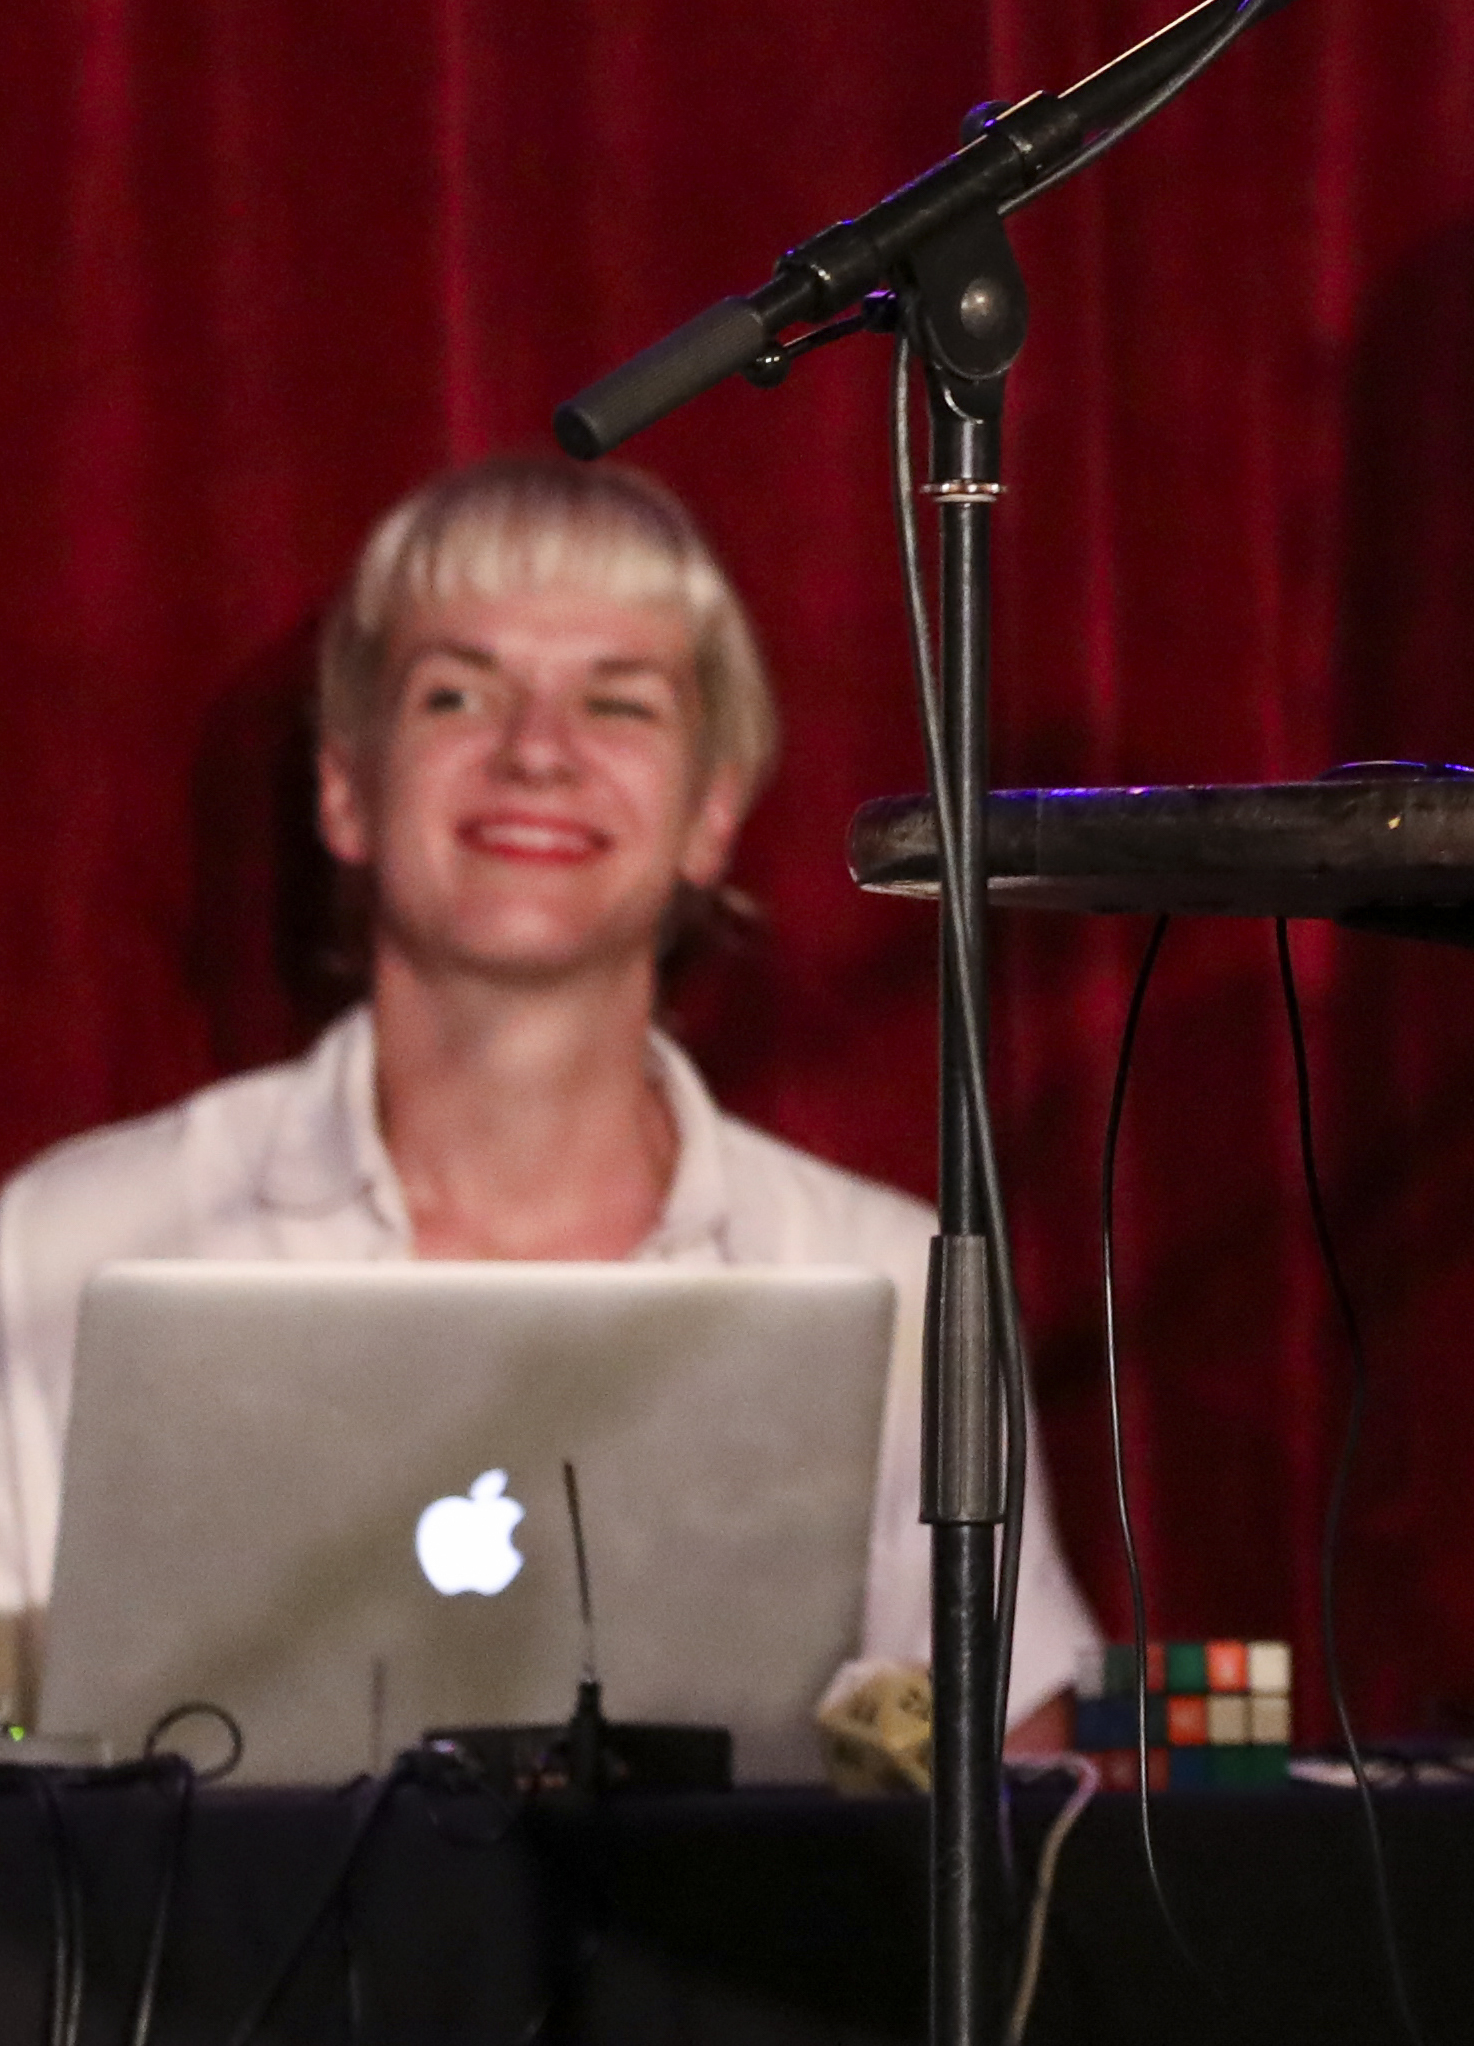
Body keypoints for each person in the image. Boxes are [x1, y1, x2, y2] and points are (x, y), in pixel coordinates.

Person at [0, 457, 1098, 1746]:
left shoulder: (899, 1280)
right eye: (456, 692)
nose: (535, 752)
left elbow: (1015, 1775)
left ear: (712, 811)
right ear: (346, 786)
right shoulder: (69, 1244)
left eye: (619, 704)